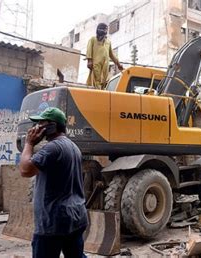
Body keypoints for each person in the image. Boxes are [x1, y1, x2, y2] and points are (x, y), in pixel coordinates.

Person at [19, 107, 88, 258]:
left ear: (52, 126)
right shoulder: (73, 146)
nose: (36, 128)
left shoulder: (53, 148)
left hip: (53, 222)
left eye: (41, 123)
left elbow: (25, 170)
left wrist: (29, 144)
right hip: (75, 217)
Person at [86, 23, 124, 89]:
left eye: (106, 29)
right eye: (103, 29)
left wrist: (118, 64)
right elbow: (89, 50)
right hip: (96, 64)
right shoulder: (93, 39)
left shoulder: (108, 42)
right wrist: (89, 60)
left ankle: (101, 92)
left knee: (104, 80)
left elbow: (111, 55)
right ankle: (97, 92)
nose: (104, 31)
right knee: (96, 80)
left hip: (105, 65)